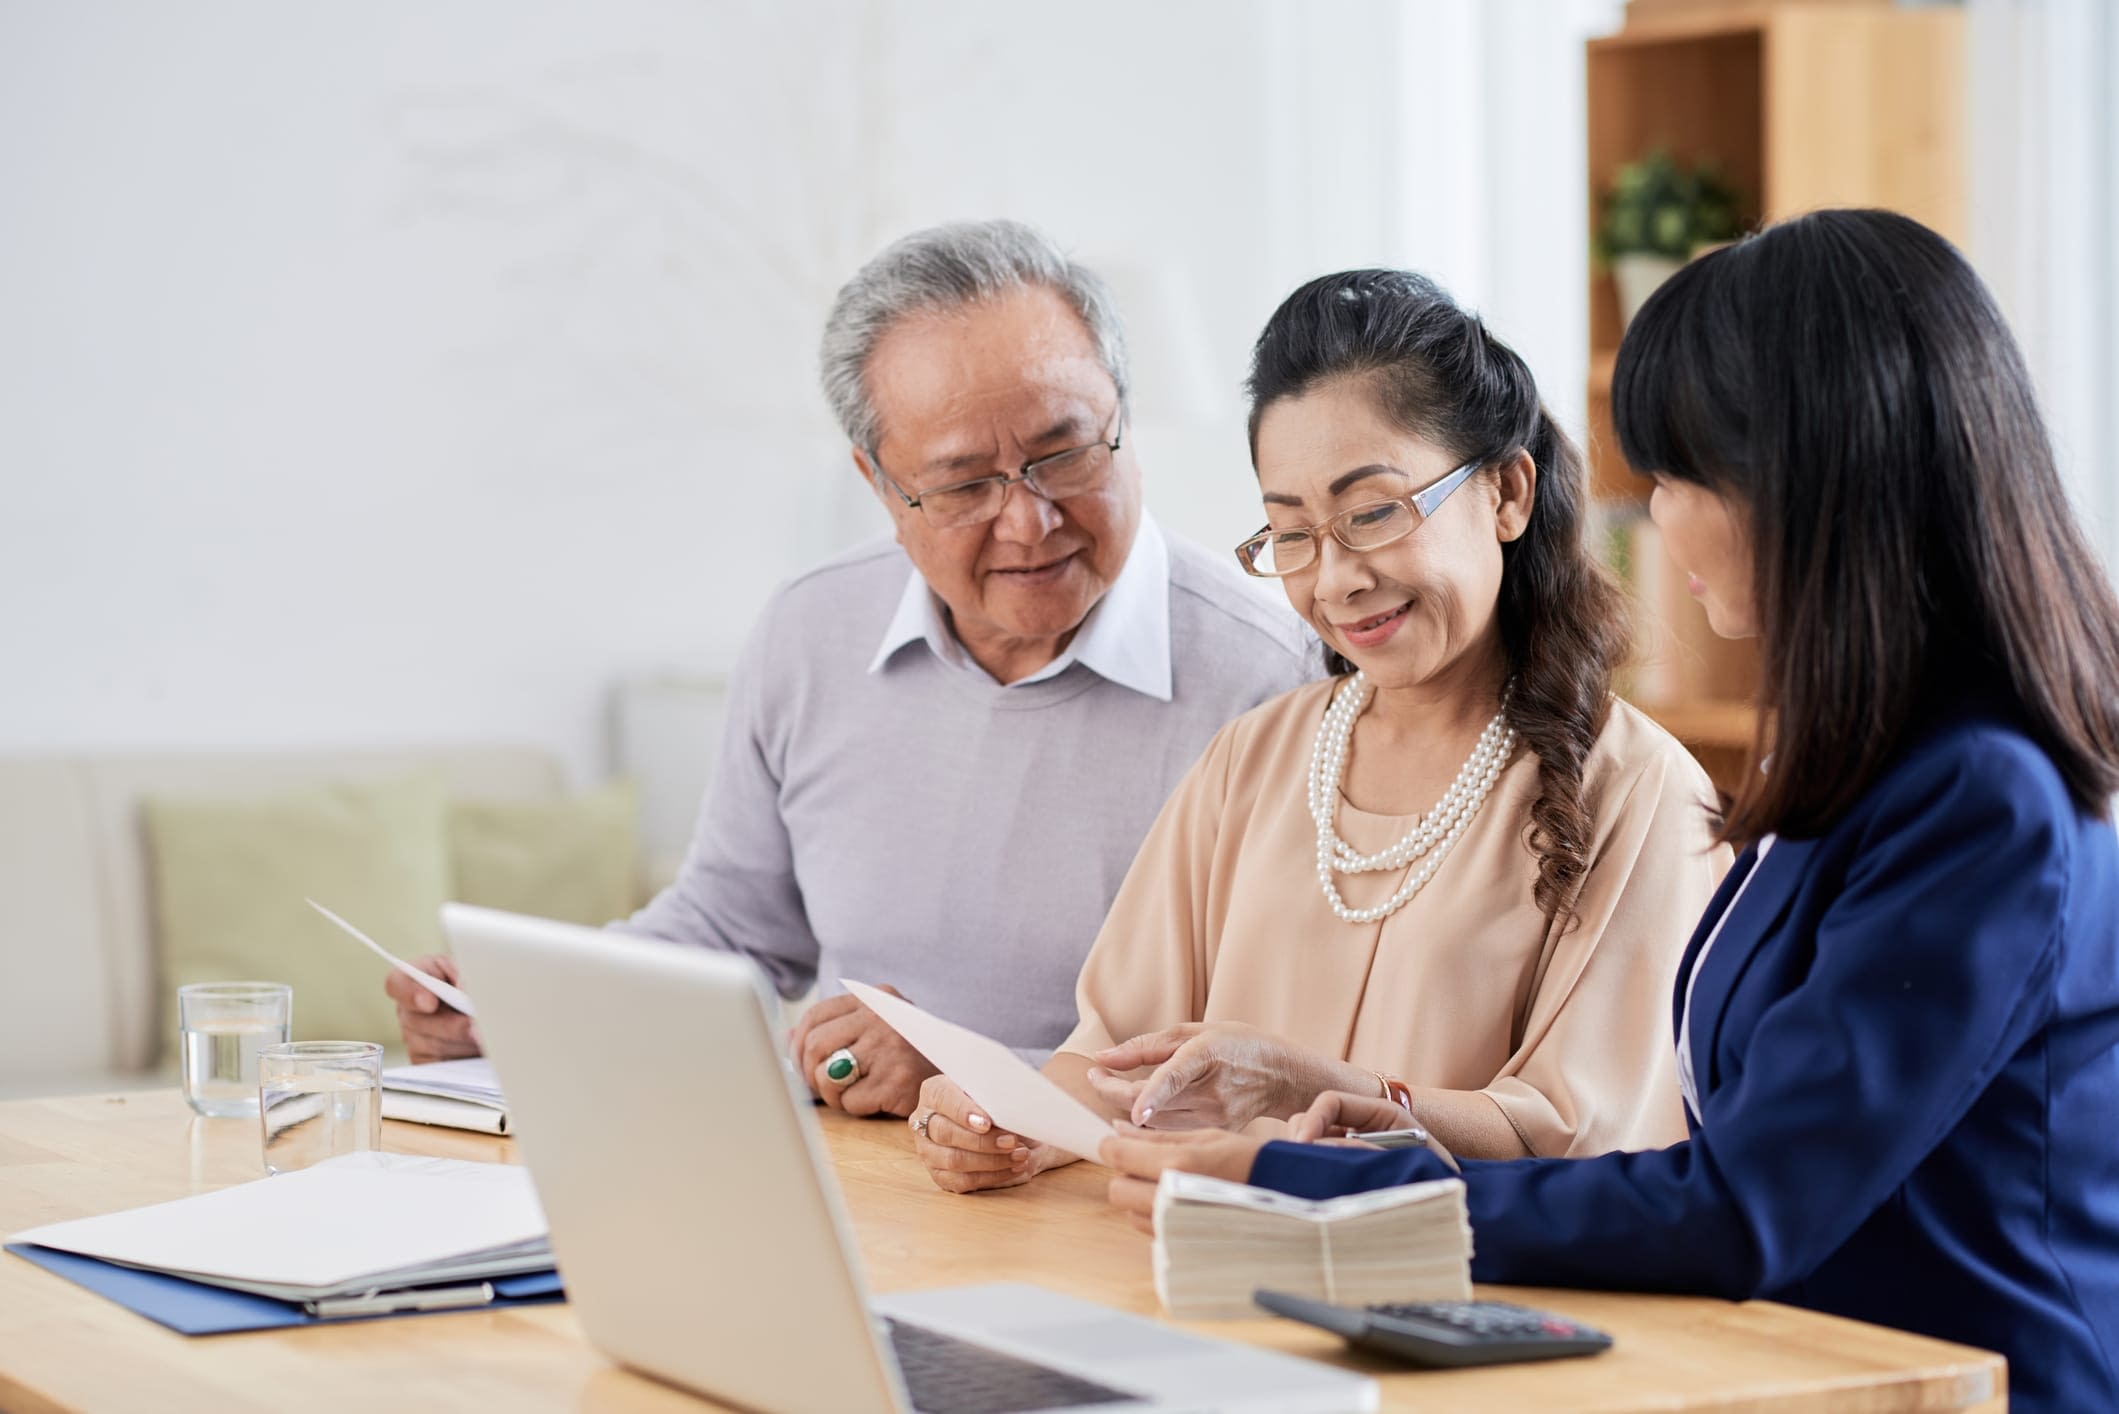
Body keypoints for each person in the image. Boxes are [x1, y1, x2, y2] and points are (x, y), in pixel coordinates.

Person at [1097, 210, 2119, 1414]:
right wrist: (1397, 1128)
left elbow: (1741, 1206)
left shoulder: (1977, 798)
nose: (1656, 517)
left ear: (1818, 478)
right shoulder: (1860, 763)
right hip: (1806, 1373)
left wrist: (1307, 1186)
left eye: (1680, 477)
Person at [388, 220, 1315, 1116]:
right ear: (879, 485)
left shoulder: (1273, 681)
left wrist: (970, 1072)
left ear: (1123, 417)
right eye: (962, 485)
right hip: (842, 1176)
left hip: (1109, 1191)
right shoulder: (810, 630)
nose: (1028, 522)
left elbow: (1272, 1053)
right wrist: (524, 1008)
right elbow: (733, 927)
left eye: (1063, 453)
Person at [912, 268, 1731, 1194]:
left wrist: (1316, 1090)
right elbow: (1115, 1064)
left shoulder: (1639, 792)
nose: (1335, 580)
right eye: (1291, 534)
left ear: (1506, 492)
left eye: (1372, 513)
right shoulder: (1253, 759)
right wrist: (1007, 1120)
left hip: (1453, 1277)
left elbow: (1590, 1147)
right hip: (1208, 1260)